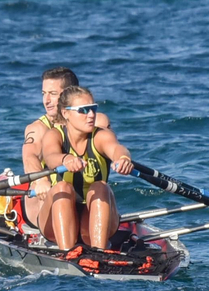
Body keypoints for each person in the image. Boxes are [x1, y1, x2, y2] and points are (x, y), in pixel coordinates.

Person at [9, 67, 110, 247]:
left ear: (69, 95)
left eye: (53, 94)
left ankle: (97, 243)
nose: (46, 101)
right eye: (44, 93)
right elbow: (30, 156)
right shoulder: (38, 129)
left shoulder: (95, 121)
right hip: (49, 202)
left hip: (87, 200)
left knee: (100, 188)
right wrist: (40, 180)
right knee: (63, 188)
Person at [40, 85, 134, 252]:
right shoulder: (54, 135)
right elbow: (50, 156)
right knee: (62, 188)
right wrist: (65, 159)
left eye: (93, 109)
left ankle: (99, 252)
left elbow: (117, 148)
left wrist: (123, 159)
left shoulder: (101, 136)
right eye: (83, 110)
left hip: (93, 220)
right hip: (56, 224)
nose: (91, 115)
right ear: (65, 113)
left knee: (100, 187)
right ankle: (66, 253)